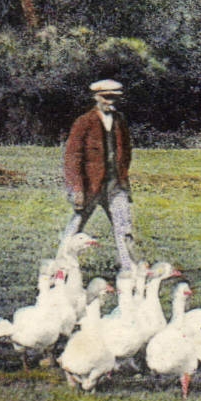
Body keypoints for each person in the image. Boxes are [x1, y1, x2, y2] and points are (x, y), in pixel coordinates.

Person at [62, 79, 135, 269]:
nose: (110, 102)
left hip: (115, 184)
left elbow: (126, 151)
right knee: (77, 223)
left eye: (114, 98)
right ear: (96, 97)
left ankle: (128, 267)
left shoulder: (120, 121)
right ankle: (61, 263)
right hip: (90, 185)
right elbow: (73, 157)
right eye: (106, 97)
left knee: (123, 226)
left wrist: (123, 177)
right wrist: (77, 189)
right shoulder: (84, 122)